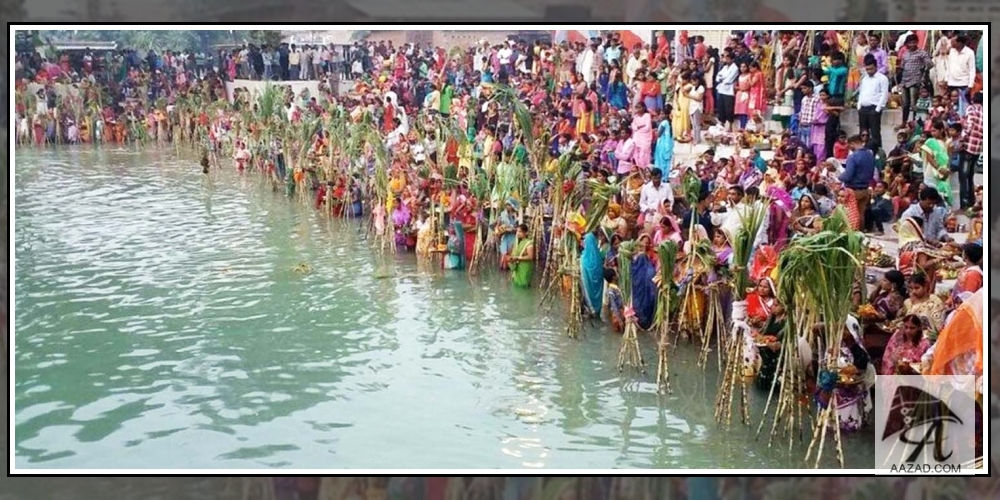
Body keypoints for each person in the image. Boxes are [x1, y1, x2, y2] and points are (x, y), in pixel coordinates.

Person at [855, 54, 889, 149]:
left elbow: (884, 94)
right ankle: (863, 151)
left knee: (875, 133)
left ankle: (877, 154)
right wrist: (859, 106)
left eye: (871, 69)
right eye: (867, 69)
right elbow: (862, 92)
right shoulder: (865, 78)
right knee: (863, 132)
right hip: (863, 108)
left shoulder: (882, 78)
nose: (869, 71)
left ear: (876, 67)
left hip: (874, 108)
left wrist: (878, 109)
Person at [580, 232, 605, 317]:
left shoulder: (584, 259)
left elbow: (582, 274)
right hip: (598, 288)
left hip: (588, 289)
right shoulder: (598, 257)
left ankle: (590, 309)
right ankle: (596, 310)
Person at [509, 224, 535, 288]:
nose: (518, 233)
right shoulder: (516, 241)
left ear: (525, 233)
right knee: (516, 285)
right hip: (516, 268)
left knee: (524, 284)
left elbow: (530, 257)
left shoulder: (529, 244)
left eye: (520, 232)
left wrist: (517, 258)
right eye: (517, 231)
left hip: (524, 268)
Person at [654, 105, 674, 175]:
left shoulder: (664, 123)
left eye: (662, 114)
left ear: (666, 115)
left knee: (661, 160)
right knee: (666, 161)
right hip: (668, 143)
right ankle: (665, 175)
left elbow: (659, 134)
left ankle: (662, 175)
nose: (660, 115)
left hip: (663, 144)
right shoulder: (669, 122)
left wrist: (655, 131)